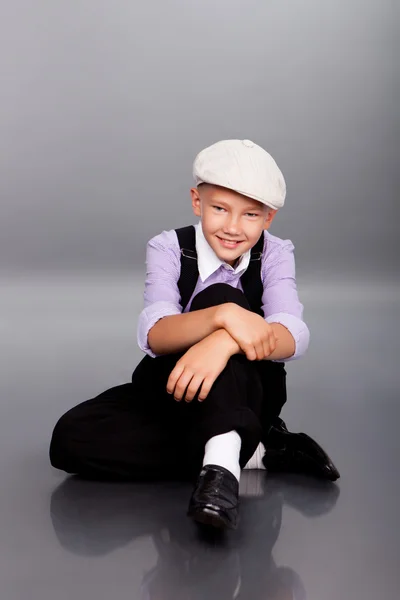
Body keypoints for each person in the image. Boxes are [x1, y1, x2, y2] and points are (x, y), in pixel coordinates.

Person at [49, 139, 340, 531]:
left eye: (251, 215)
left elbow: (293, 334)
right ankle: (258, 450)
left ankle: (220, 471)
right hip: (177, 388)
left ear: (268, 218)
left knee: (224, 295)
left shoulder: (275, 253)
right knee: (71, 438)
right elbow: (156, 334)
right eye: (220, 208)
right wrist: (224, 316)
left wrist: (225, 341)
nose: (234, 227)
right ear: (196, 201)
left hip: (252, 390)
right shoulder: (169, 247)